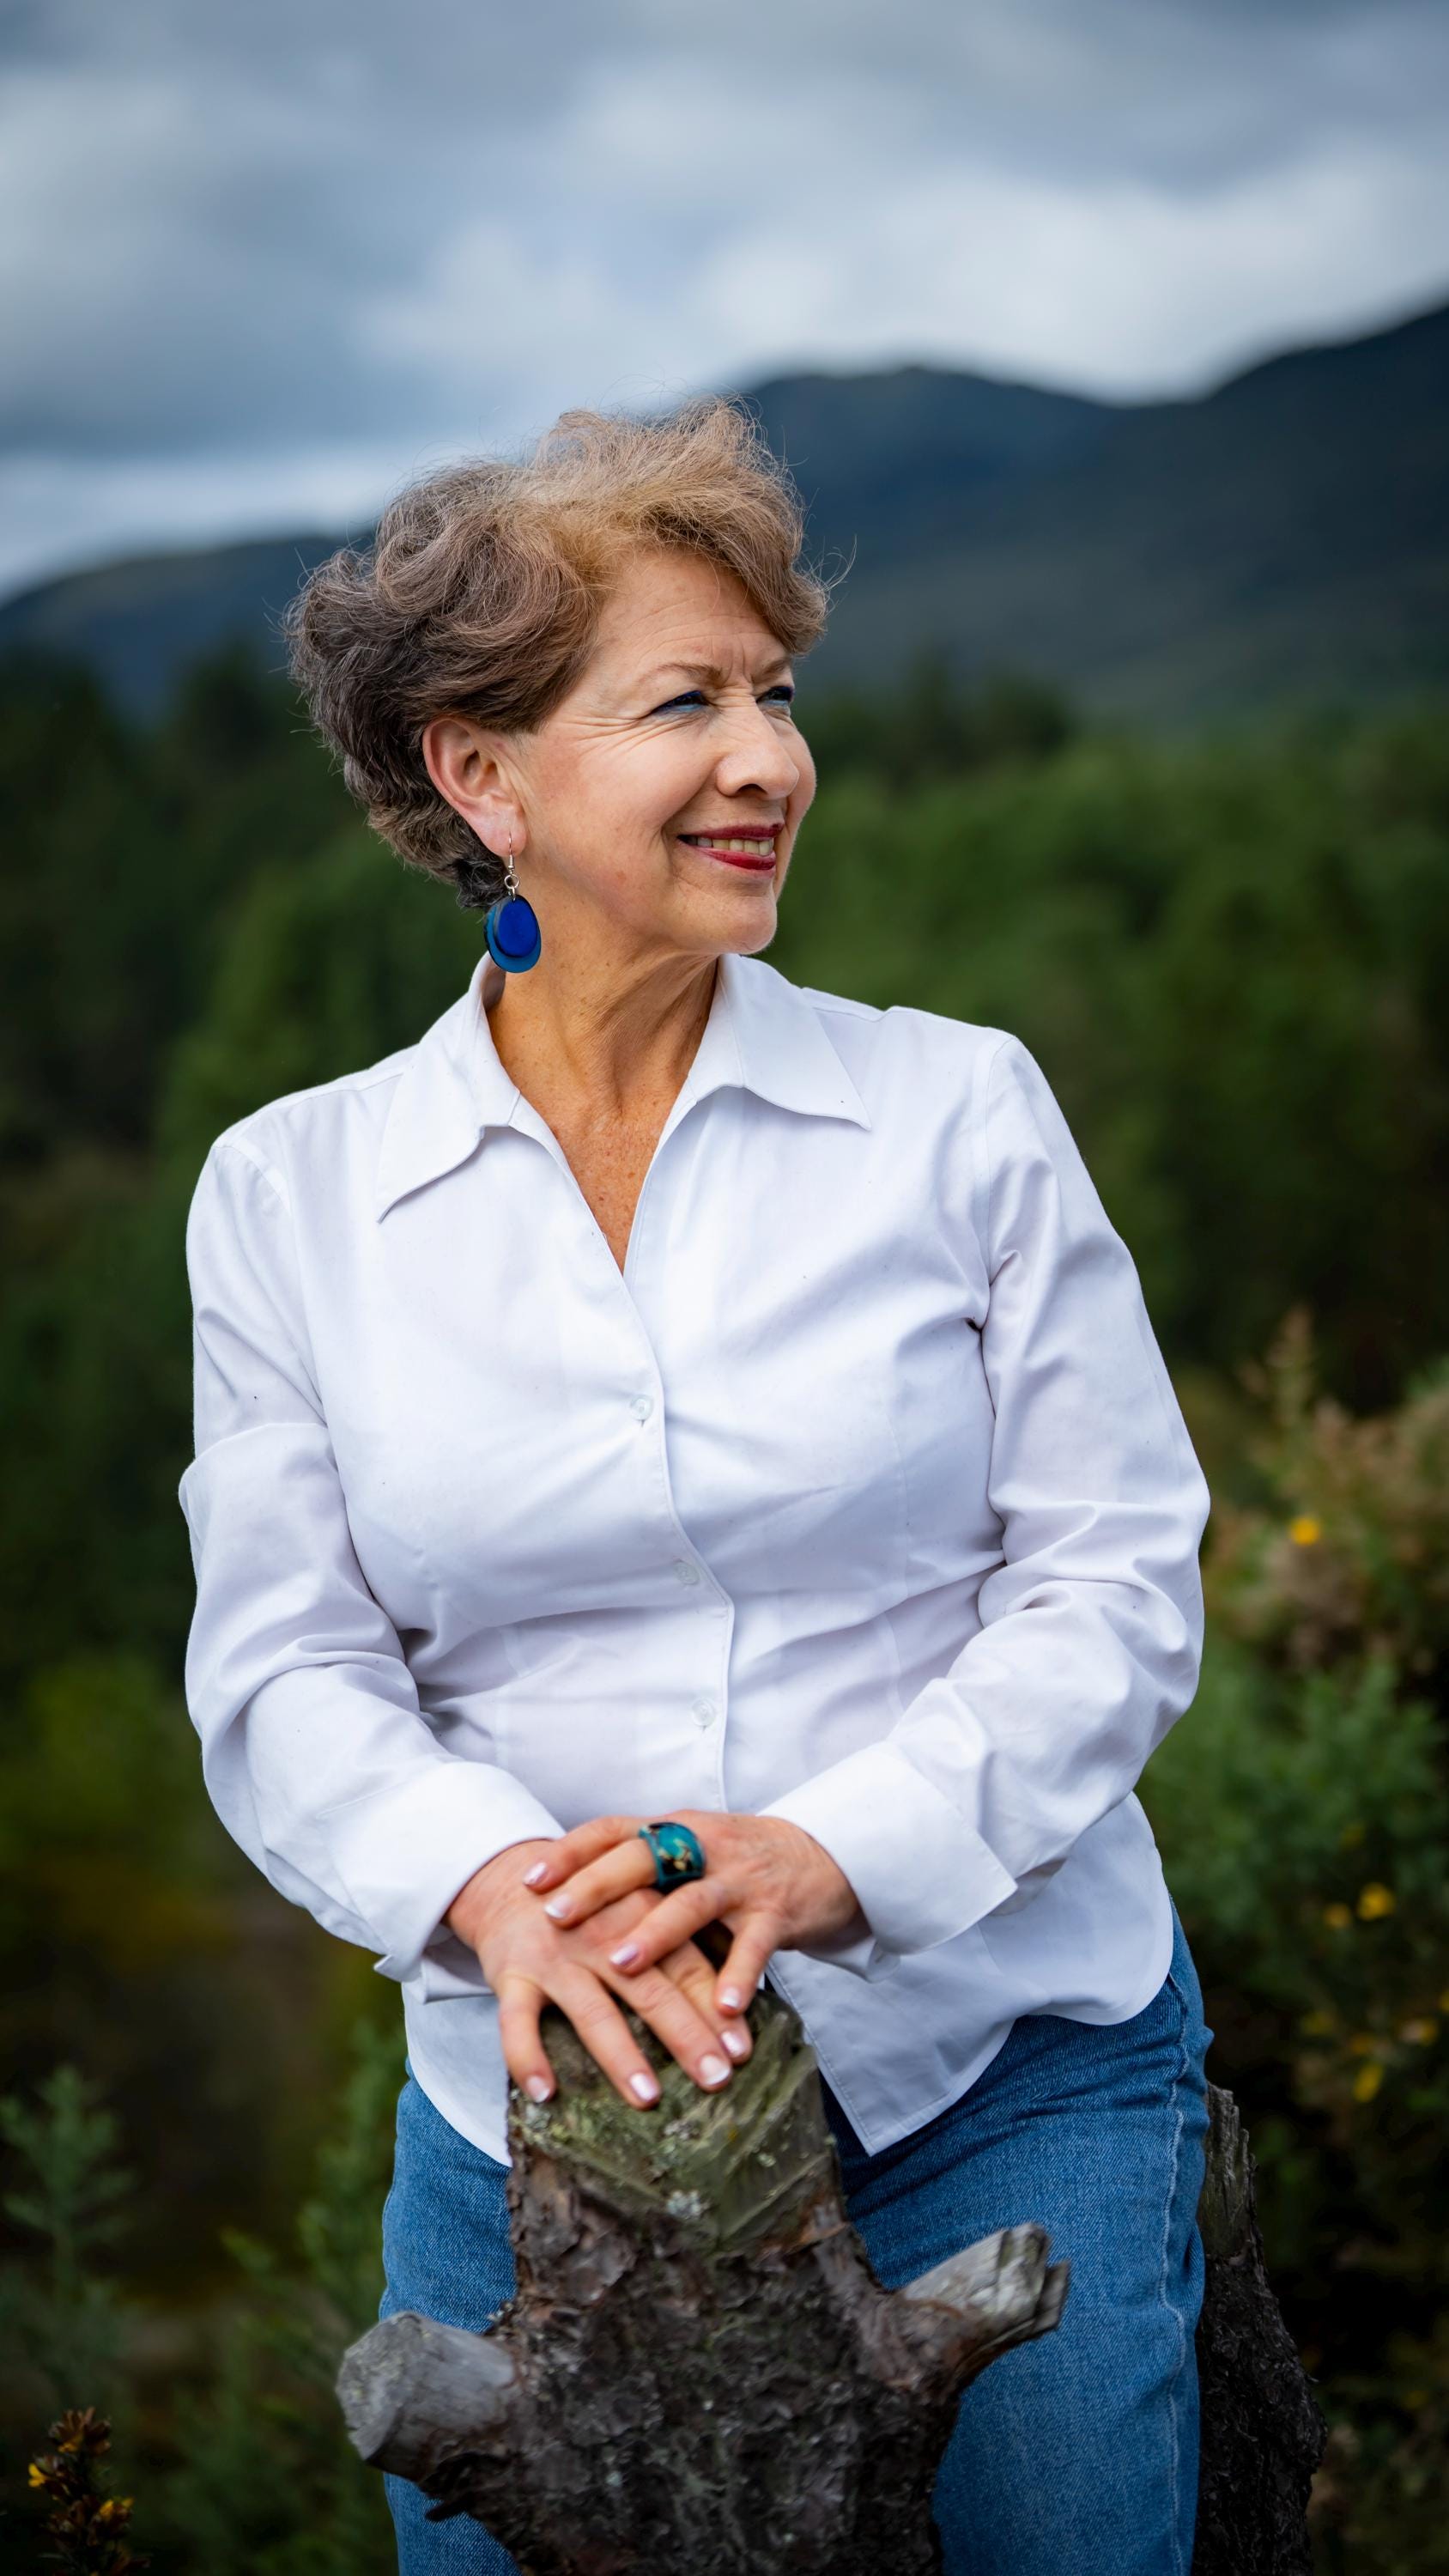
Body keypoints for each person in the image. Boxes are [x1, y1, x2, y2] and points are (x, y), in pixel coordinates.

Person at [178, 395, 1213, 2576]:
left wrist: (838, 1854)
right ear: (483, 776)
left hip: (998, 2065)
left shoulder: (960, 1115)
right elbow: (284, 1667)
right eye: (685, 703)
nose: (767, 759)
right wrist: (485, 1892)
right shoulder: (289, 1196)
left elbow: (1116, 1580)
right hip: (531, 2130)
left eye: (775, 695)